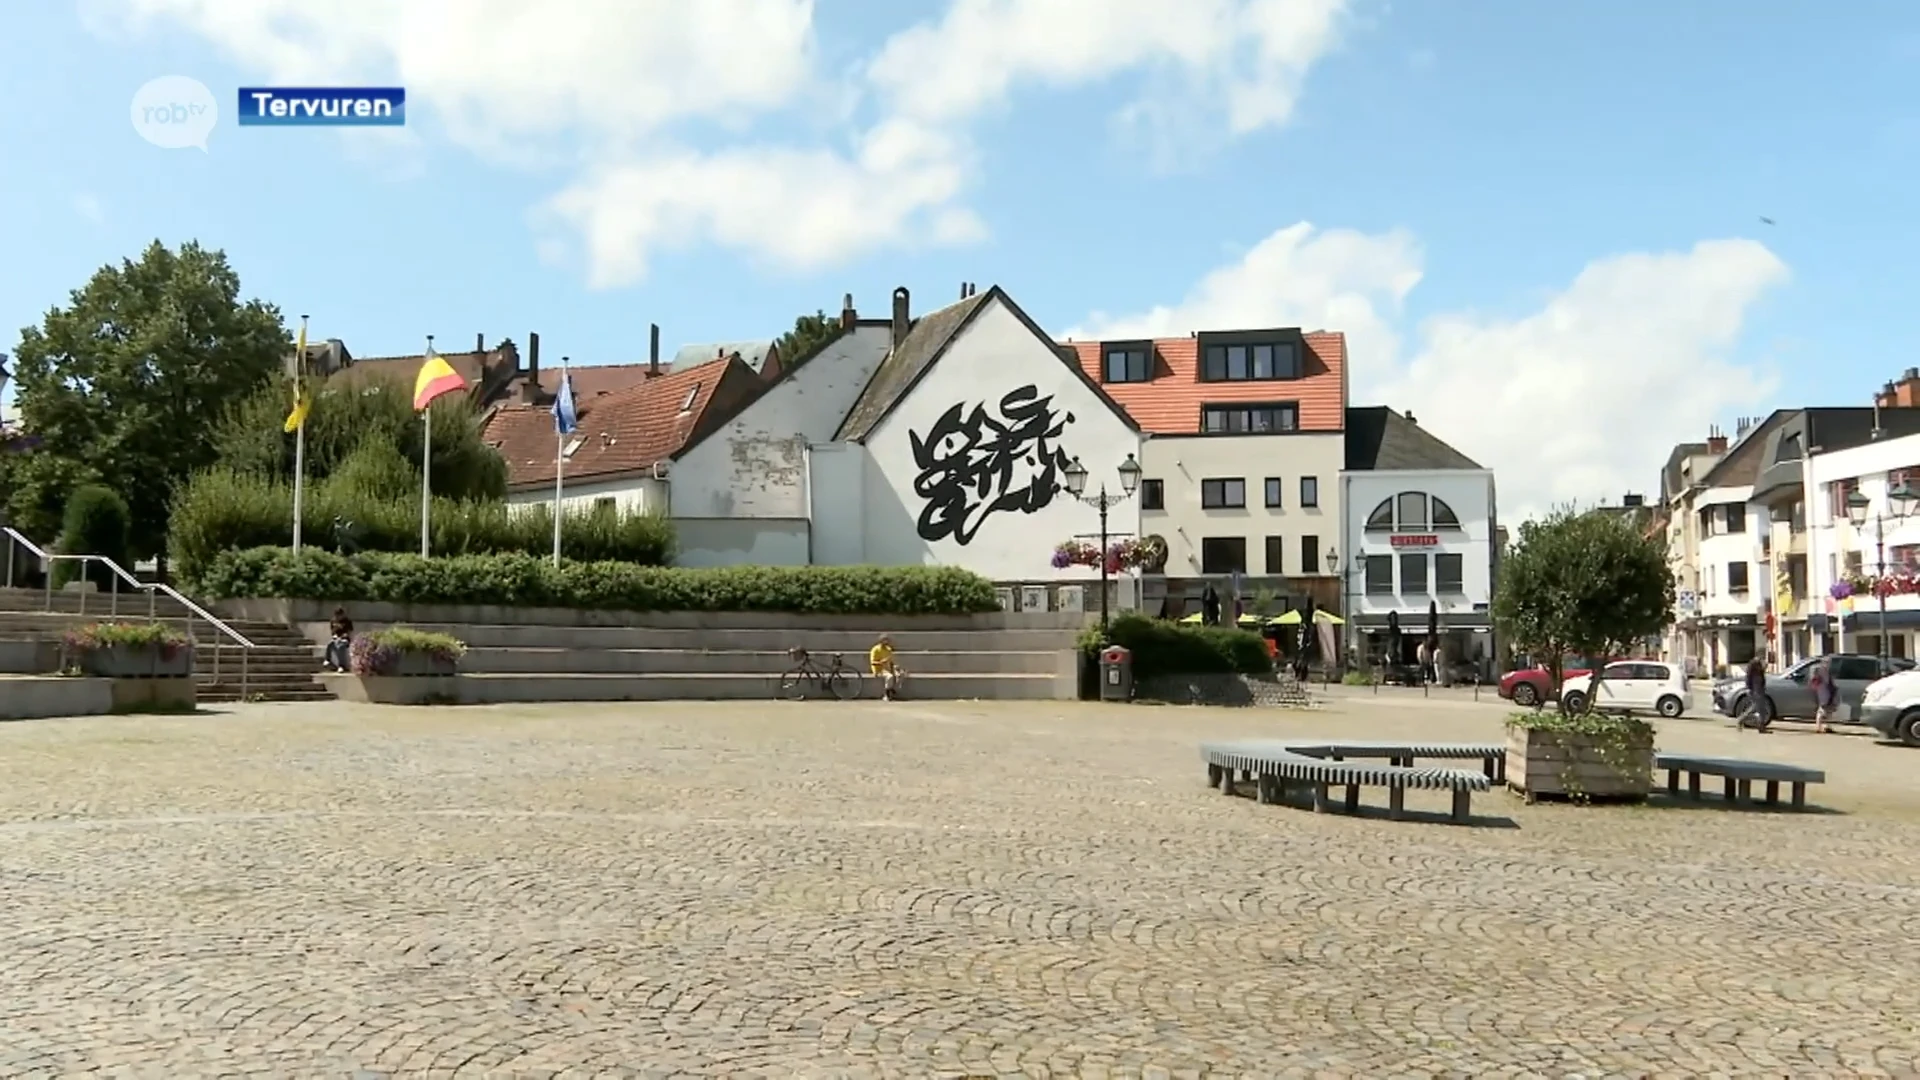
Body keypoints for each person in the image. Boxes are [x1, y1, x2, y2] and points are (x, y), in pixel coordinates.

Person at [1738, 657, 1772, 732]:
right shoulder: (1754, 668)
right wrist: (1749, 689)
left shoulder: (1759, 669)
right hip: (1756, 691)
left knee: (1758, 708)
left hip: (1759, 690)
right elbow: (1748, 678)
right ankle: (1743, 720)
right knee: (1760, 709)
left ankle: (1743, 720)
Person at [870, 633, 902, 701]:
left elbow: (890, 661)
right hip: (879, 670)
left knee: (901, 674)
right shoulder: (875, 649)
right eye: (885, 641)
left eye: (887, 641)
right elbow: (872, 662)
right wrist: (881, 662)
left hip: (888, 668)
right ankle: (886, 695)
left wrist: (895, 667)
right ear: (881, 641)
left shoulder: (888, 649)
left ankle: (892, 689)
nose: (887, 642)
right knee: (889, 676)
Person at [1810, 655, 1838, 734]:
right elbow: (1824, 681)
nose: (1828, 664)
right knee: (1823, 708)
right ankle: (1818, 727)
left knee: (1829, 709)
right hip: (1823, 691)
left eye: (1829, 662)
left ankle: (1827, 726)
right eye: (1827, 662)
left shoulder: (1826, 670)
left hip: (1827, 691)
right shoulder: (1821, 670)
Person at [324, 607, 353, 672]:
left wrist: (344, 636)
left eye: (339, 615)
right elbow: (332, 631)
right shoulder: (333, 621)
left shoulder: (347, 621)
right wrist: (335, 636)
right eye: (336, 615)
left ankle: (341, 665)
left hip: (345, 639)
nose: (338, 617)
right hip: (336, 638)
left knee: (340, 647)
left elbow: (349, 632)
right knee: (330, 644)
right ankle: (327, 659)